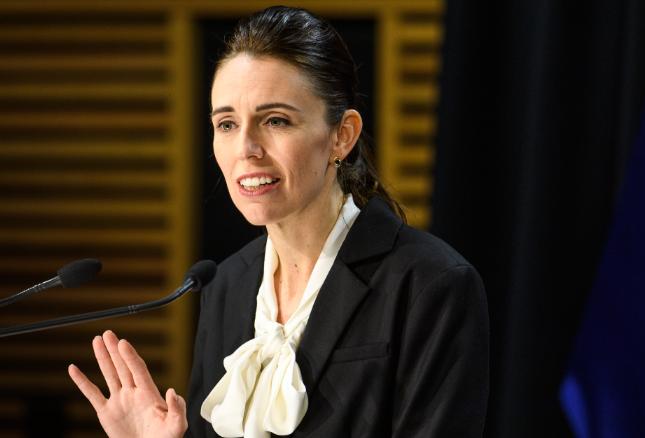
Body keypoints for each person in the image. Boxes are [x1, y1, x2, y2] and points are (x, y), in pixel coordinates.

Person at [67, 6, 489, 437]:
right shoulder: (225, 285)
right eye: (227, 123)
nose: (246, 148)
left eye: (275, 120)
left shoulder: (431, 284)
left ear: (342, 135)